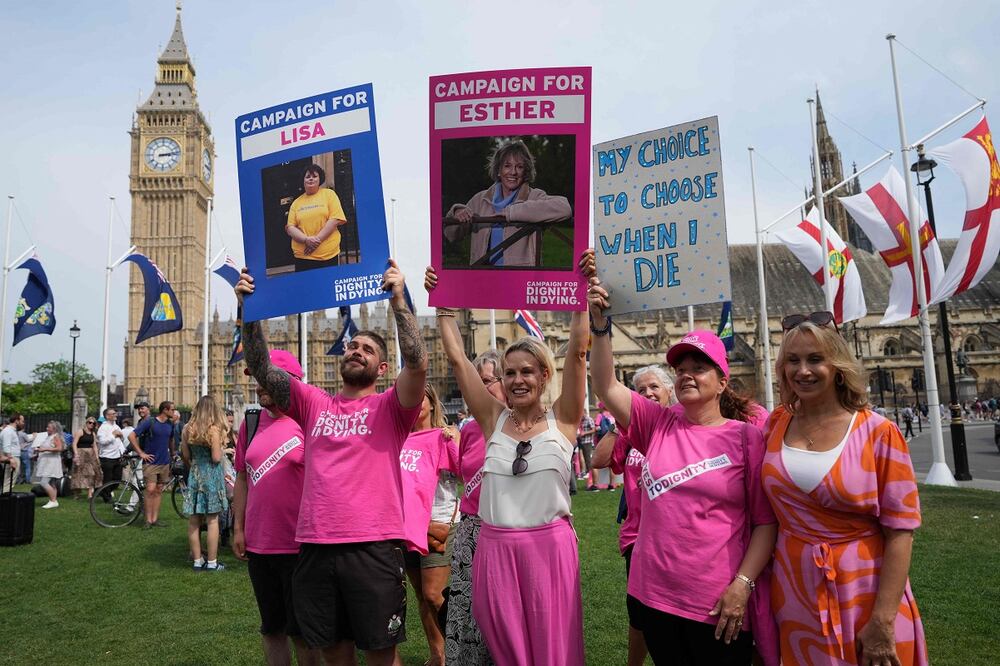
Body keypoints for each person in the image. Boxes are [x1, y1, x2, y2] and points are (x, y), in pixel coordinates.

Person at [587, 254, 779, 666]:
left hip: (716, 599)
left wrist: (742, 585)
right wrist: (600, 325)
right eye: (681, 368)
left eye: (700, 367)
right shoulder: (658, 424)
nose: (687, 374)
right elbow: (605, 384)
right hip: (654, 594)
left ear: (722, 380)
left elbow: (765, 522)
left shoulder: (746, 438)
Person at [237, 258, 427, 666]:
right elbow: (261, 369)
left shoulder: (391, 408)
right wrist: (248, 312)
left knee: (380, 654)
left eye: (368, 349)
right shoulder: (313, 404)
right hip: (315, 548)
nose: (356, 350)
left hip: (372, 547)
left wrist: (397, 300)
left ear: (382, 367)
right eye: (353, 345)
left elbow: (417, 361)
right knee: (333, 654)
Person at [426, 255, 588, 665]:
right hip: (495, 550)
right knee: (506, 651)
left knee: (551, 651)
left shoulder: (563, 420)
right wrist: (443, 305)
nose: (518, 380)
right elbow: (460, 361)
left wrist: (582, 296)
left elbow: (579, 355)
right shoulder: (493, 421)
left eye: (527, 372)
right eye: (510, 372)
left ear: (544, 376)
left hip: (549, 549)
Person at [762, 312, 928, 665]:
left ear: (837, 365)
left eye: (815, 359)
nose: (802, 370)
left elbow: (901, 532)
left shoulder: (878, 432)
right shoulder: (776, 424)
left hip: (864, 589)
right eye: (793, 360)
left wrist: (882, 621)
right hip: (795, 588)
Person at [232, 350, 321, 666]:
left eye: (267, 379)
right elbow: (242, 476)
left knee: (303, 632)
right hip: (260, 545)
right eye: (258, 379)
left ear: (292, 383)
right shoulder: (251, 423)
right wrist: (238, 527)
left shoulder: (308, 422)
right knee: (272, 628)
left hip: (301, 546)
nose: (259, 386)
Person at [591, 364, 674, 666]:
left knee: (673, 614)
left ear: (669, 391)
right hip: (637, 537)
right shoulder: (630, 430)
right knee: (639, 615)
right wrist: (618, 423)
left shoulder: (680, 425)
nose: (649, 393)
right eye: (641, 390)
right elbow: (598, 460)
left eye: (655, 387)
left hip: (673, 536)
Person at [445, 350, 503, 665]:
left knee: (502, 615)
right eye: (474, 384)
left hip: (505, 530)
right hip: (470, 532)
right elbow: (462, 471)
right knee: (468, 615)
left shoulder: (519, 425)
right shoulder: (468, 429)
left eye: (486, 382)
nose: (477, 391)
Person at [399, 384, 460, 666]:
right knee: (421, 594)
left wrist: (452, 444)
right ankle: (438, 655)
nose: (414, 403)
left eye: (419, 398)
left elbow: (462, 473)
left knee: (435, 595)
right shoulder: (398, 438)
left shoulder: (445, 435)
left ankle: (463, 650)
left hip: (438, 522)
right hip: (406, 525)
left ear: (433, 404)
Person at [445, 140, 571, 268]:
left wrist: (511, 213)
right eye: (507, 166)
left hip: (521, 279)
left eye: (519, 167)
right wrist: (457, 212)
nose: (513, 172)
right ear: (498, 170)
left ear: (525, 171)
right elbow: (451, 234)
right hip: (482, 277)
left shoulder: (533, 196)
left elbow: (565, 208)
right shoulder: (480, 199)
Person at [181, 395, 229, 572]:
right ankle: (212, 562)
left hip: (195, 474)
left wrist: (193, 466)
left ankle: (197, 560)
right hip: (211, 475)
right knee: (212, 520)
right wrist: (223, 450)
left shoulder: (187, 428)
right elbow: (216, 458)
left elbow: (185, 455)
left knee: (193, 520)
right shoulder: (213, 429)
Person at [285, 164, 348, 272]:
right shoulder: (296, 203)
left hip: (327, 256)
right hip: (303, 257)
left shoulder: (329, 194)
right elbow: (290, 228)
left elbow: (335, 219)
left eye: (314, 176)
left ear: (320, 179)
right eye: (308, 176)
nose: (311, 178)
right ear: (303, 180)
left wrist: (314, 242)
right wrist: (306, 240)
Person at [129, 400, 177, 529]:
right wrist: (141, 453)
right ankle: (148, 520)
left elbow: (171, 439)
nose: (174, 412)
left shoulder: (170, 424)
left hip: (165, 462)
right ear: (165, 410)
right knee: (150, 490)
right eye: (172, 409)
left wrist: (173, 454)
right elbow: (131, 436)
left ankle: (154, 519)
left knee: (158, 491)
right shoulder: (150, 422)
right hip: (150, 462)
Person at [33, 421, 66, 509]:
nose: (47, 429)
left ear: (54, 429)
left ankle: (53, 501)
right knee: (52, 483)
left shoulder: (56, 436)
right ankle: (53, 500)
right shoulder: (48, 437)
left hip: (51, 463)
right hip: (47, 461)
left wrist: (45, 449)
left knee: (44, 482)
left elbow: (60, 448)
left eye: (49, 427)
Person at [96, 407, 126, 500]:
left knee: (117, 480)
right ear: (107, 416)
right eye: (113, 413)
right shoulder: (103, 428)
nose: (115, 415)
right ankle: (107, 497)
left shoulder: (116, 426)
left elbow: (121, 440)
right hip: (107, 457)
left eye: (115, 413)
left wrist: (121, 436)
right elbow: (102, 441)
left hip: (117, 456)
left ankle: (101, 491)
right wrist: (113, 435)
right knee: (108, 479)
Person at [70, 416, 102, 499]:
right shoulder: (80, 432)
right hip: (80, 453)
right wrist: (76, 454)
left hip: (90, 455)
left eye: (93, 423)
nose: (91, 424)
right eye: (90, 422)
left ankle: (90, 493)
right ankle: (76, 494)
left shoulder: (93, 434)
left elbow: (94, 445)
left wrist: (97, 456)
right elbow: (74, 443)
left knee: (91, 473)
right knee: (78, 474)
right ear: (86, 423)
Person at [1, 413, 25, 493]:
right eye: (22, 421)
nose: (23, 423)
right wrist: (11, 460)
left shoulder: (11, 431)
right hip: (12, 458)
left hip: (12, 457)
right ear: (16, 421)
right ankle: (4, 502)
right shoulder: (8, 431)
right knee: (8, 483)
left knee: (9, 483)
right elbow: (6, 447)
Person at [577, 411, 597, 491]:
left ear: (584, 413)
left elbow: (593, 430)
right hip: (581, 441)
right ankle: (585, 472)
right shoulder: (580, 421)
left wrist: (584, 433)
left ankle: (589, 474)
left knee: (588, 459)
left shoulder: (589, 420)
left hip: (587, 441)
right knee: (582, 458)